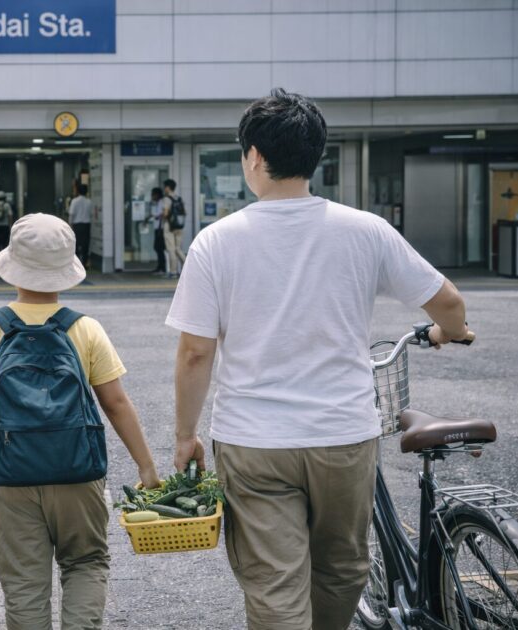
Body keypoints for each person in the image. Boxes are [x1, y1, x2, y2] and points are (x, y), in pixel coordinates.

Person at [166, 88, 471, 630]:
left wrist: (185, 435)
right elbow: (446, 301)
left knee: (274, 583)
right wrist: (452, 331)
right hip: (342, 435)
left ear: (254, 156)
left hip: (254, 441)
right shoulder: (364, 229)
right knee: (341, 569)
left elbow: (195, 353)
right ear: (315, 155)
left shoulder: (216, 242)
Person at [0, 213, 160, 630]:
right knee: (85, 563)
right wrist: (146, 465)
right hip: (77, 471)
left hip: (11, 475)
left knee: (24, 584)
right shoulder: (84, 329)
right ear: (66, 273)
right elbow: (116, 403)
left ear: (12, 267)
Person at [161, 179, 186, 279]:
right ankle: (188, 265)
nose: (164, 189)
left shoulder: (167, 199)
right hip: (179, 225)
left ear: (168, 187)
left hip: (169, 226)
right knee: (178, 248)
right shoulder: (179, 198)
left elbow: (166, 213)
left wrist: (162, 217)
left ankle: (173, 272)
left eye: (165, 187)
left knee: (171, 249)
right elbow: (184, 212)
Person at [68, 184, 94, 268]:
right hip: (86, 225)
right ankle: (85, 263)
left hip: (77, 226)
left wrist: (70, 225)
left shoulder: (74, 201)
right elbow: (91, 214)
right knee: (85, 245)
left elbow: (71, 214)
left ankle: (76, 264)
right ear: (86, 192)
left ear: (78, 191)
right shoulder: (89, 201)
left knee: (76, 245)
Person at [150, 187, 167, 275]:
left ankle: (162, 268)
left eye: (153, 194)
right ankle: (160, 267)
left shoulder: (161, 202)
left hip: (161, 228)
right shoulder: (158, 202)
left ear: (157, 194)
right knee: (158, 248)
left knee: (159, 248)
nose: (152, 196)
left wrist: (155, 216)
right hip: (158, 228)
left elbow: (161, 214)